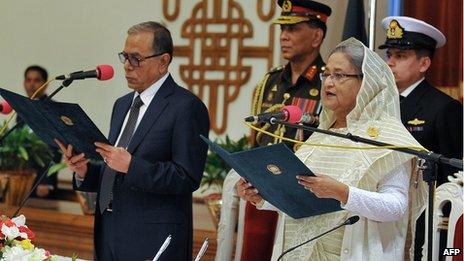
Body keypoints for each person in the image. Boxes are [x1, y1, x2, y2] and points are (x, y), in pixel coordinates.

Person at [237, 38, 427, 260]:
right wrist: (261, 197)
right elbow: (300, 199)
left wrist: (343, 192)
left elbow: (396, 207)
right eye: (326, 74)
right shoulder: (320, 135)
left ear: (367, 83)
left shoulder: (388, 137)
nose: (328, 83)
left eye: (339, 75)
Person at [55, 21, 210, 260]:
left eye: (136, 58)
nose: (127, 66)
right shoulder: (122, 105)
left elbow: (187, 177)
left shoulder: (186, 107)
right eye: (124, 56)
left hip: (152, 238)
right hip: (109, 230)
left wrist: (132, 165)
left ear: (163, 62)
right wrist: (85, 171)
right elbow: (115, 171)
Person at [216, 1, 332, 260]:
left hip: (302, 192)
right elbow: (256, 139)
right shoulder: (270, 81)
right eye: (282, 29)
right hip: (262, 189)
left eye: (293, 29)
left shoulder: (328, 83)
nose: (284, 36)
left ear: (316, 36)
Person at [379, 16, 463, 260]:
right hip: (381, 214)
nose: (391, 63)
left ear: (424, 63)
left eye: (400, 57)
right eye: (389, 55)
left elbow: (453, 176)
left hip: (424, 221)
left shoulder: (444, 108)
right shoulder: (380, 104)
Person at [17, 65, 60, 198]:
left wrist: (46, 182)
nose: (31, 84)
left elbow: (57, 149)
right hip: (21, 179)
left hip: (42, 183)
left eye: (36, 80)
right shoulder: (21, 111)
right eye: (28, 80)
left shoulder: (53, 109)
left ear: (45, 84)